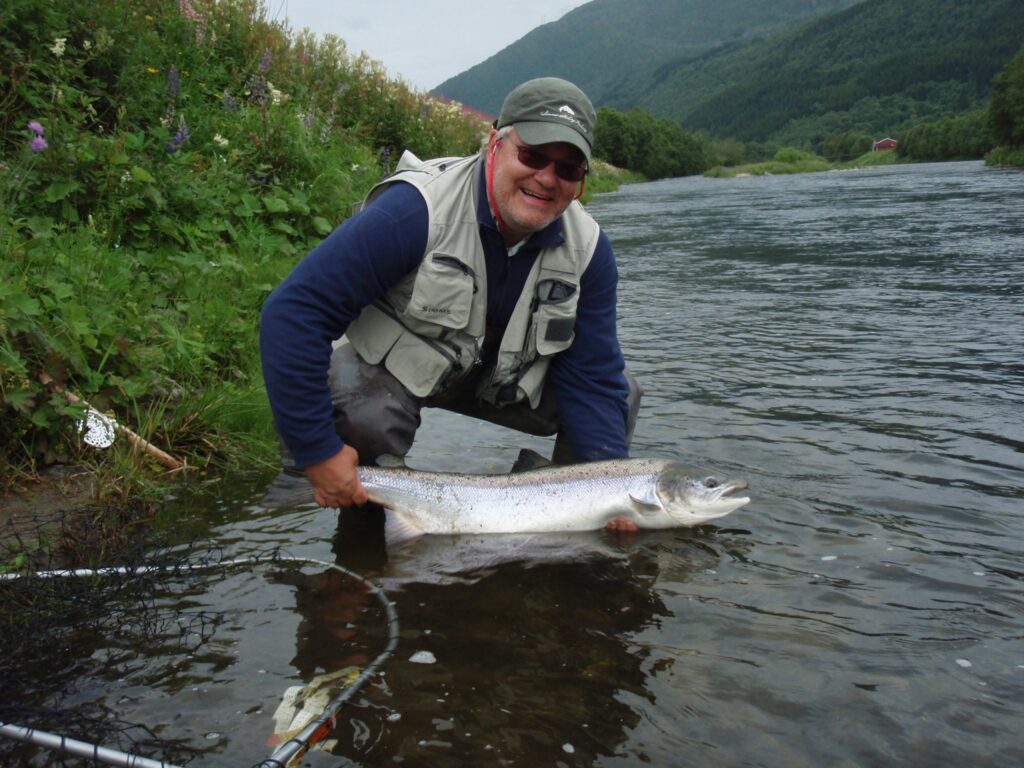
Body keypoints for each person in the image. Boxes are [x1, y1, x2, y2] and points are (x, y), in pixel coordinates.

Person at [259, 77, 642, 528]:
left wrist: (613, 489)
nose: (546, 178)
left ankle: (569, 535)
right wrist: (316, 449)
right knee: (363, 412)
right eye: (533, 155)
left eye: (568, 169)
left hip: (503, 383)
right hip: (402, 373)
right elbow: (294, 313)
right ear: (494, 144)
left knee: (620, 395)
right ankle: (362, 532)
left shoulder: (590, 251)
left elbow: (594, 378)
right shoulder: (415, 210)